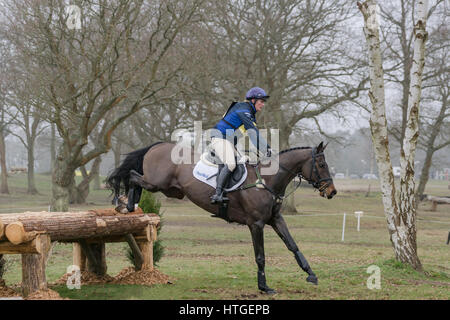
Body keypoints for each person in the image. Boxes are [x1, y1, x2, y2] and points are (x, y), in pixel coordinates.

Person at [210, 87, 272, 204]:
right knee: (231, 164)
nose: (263, 104)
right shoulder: (244, 111)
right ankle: (217, 194)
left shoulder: (247, 111)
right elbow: (253, 134)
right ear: (253, 100)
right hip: (219, 138)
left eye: (264, 102)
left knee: (243, 163)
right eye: (261, 101)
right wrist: (266, 148)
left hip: (227, 141)